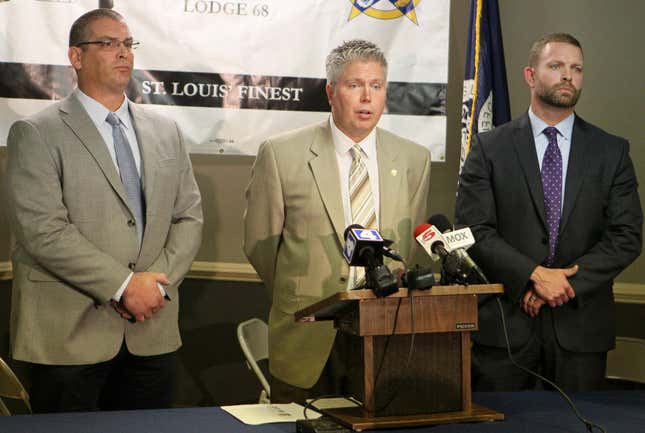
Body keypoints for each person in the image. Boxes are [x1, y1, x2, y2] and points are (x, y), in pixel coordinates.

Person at [6, 8, 203, 412]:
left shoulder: (166, 132)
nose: (123, 53)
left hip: (152, 331)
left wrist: (156, 288)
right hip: (70, 337)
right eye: (108, 43)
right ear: (75, 57)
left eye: (128, 44)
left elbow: (188, 217)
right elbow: (43, 231)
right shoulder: (37, 132)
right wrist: (124, 286)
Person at [243, 40, 431, 403]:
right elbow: (260, 246)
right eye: (354, 85)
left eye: (376, 86)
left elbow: (405, 247)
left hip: (383, 334)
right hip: (307, 333)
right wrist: (300, 291)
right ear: (331, 92)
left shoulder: (413, 159)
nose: (367, 97)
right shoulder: (281, 154)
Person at [455, 33, 642, 392]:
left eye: (576, 69)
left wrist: (561, 284)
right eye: (556, 66)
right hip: (505, 328)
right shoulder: (489, 147)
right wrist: (531, 275)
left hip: (581, 330)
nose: (568, 76)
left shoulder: (611, 151)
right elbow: (474, 229)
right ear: (530, 75)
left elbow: (626, 237)